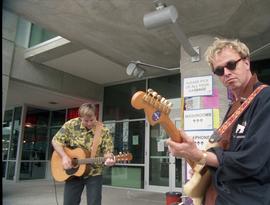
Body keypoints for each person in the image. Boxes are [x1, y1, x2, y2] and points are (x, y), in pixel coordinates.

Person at [166, 38, 270, 205]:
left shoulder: (265, 98)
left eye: (231, 65)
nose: (226, 73)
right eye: (219, 71)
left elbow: (251, 161)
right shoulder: (234, 107)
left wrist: (200, 155)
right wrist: (204, 168)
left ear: (246, 62)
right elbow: (225, 153)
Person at [52, 103, 115, 205]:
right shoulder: (71, 125)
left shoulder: (103, 130)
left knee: (94, 202)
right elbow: (56, 141)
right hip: (73, 173)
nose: (89, 123)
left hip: (94, 173)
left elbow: (108, 152)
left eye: (92, 120)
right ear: (80, 117)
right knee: (69, 202)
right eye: (86, 121)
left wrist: (109, 160)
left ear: (96, 116)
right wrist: (64, 157)